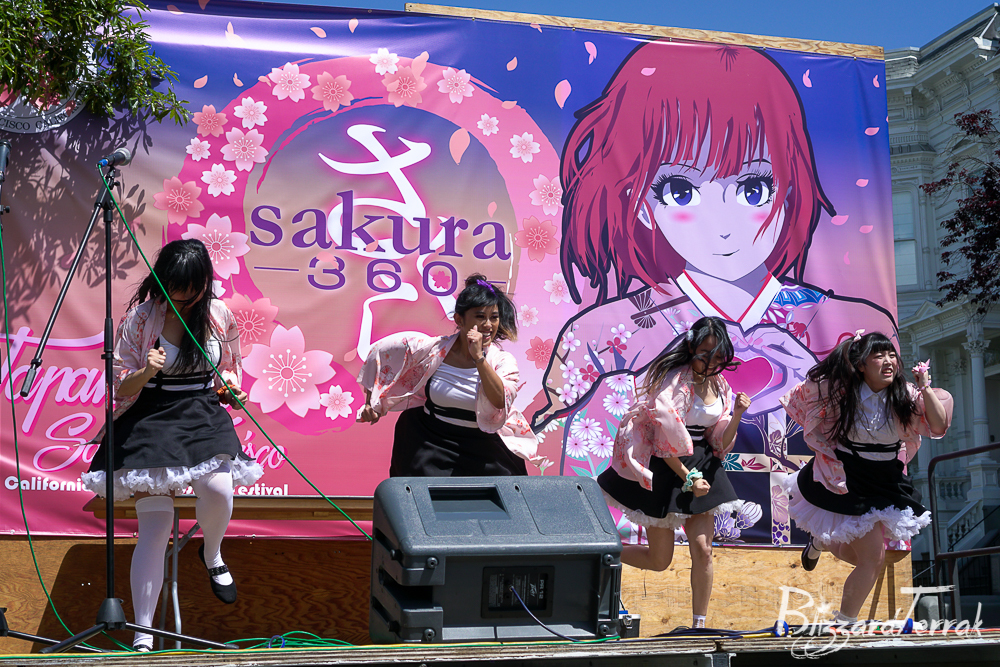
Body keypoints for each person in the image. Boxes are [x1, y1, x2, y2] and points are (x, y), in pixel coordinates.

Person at [531, 39, 897, 546]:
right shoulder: (602, 334)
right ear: (641, 203)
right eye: (680, 190)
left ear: (792, 187)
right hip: (665, 507)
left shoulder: (855, 330)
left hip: (816, 533)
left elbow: (895, 427)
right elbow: (555, 455)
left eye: (753, 188)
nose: (723, 223)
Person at [81, 239, 262, 651]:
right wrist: (146, 370)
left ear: (204, 284)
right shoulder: (141, 319)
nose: (184, 300)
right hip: (151, 414)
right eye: (175, 292)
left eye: (192, 292)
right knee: (155, 526)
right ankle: (143, 635)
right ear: (162, 283)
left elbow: (229, 371)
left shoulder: (219, 315)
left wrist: (232, 391)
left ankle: (212, 554)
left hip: (201, 410)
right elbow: (121, 386)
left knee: (219, 488)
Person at [780, 331, 952, 625]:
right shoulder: (842, 392)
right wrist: (846, 355)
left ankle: (821, 543)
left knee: (864, 557)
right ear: (861, 365)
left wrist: (925, 387)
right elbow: (802, 393)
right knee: (873, 558)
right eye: (879, 355)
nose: (888, 361)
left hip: (885, 478)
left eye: (891, 355)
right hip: (848, 475)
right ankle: (845, 623)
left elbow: (938, 426)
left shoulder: (906, 394)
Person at [598, 316, 751, 629]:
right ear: (692, 348)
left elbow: (719, 442)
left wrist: (737, 414)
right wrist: (688, 478)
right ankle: (603, 554)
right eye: (705, 353)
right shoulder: (674, 383)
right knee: (659, 561)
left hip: (702, 461)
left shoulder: (720, 385)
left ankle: (699, 626)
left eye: (717, 355)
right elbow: (664, 443)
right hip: (667, 465)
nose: (712, 361)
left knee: (703, 550)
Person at [356, 274, 537, 476]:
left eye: (494, 317)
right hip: (433, 440)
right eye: (480, 316)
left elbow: (500, 400)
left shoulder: (502, 361)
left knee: (506, 490)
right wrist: (372, 403)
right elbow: (380, 353)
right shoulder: (431, 349)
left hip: (483, 445)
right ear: (459, 319)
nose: (488, 325)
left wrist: (479, 359)